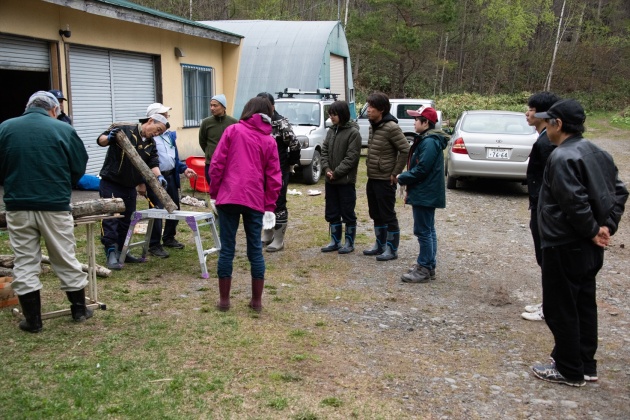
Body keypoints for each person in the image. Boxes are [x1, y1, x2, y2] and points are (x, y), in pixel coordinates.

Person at [530, 99, 628, 387]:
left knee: (560, 306)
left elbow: (574, 202)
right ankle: (585, 364)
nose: (545, 127)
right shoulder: (599, 152)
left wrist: (593, 230)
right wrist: (607, 226)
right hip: (587, 247)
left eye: (548, 122)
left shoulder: (561, 157)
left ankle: (569, 369)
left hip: (563, 243)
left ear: (558, 124)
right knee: (584, 303)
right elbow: (620, 192)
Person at [0, 91, 91, 332]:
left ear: (28, 106)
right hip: (54, 204)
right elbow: (79, 165)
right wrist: (64, 183)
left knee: (25, 261)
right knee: (64, 256)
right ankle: (79, 311)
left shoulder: (5, 128)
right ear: (53, 110)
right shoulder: (63, 129)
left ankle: (33, 321)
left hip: (18, 205)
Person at [209, 96, 282, 313]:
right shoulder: (269, 140)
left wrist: (214, 193)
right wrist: (269, 206)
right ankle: (257, 302)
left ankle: (224, 301)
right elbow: (274, 177)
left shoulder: (233, 131)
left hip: (229, 197)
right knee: (255, 250)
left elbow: (217, 163)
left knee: (227, 248)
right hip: (254, 199)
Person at [97, 113, 170, 270]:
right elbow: (101, 140)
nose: (157, 134)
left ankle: (123, 252)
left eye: (160, 133)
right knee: (111, 218)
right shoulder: (125, 129)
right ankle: (110, 252)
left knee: (128, 220)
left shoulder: (151, 143)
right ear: (150, 121)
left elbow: (153, 162)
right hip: (111, 182)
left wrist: (159, 176)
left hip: (129, 186)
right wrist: (109, 138)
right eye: (157, 129)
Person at [397, 106, 449, 283]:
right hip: (426, 191)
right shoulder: (429, 140)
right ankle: (428, 265)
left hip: (425, 192)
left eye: (417, 119)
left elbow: (422, 169)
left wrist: (402, 177)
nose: (414, 122)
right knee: (428, 230)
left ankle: (424, 267)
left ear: (426, 122)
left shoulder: (429, 142)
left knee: (423, 231)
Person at [521, 91, 560, 321]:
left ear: (545, 114)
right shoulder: (544, 138)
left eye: (533, 109)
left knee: (548, 259)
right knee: (543, 258)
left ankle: (551, 307)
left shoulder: (548, 143)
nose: (528, 113)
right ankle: (548, 302)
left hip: (545, 209)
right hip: (539, 206)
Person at [143, 103, 197, 258]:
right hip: (155, 178)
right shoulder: (148, 137)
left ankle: (169, 237)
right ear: (153, 119)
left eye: (167, 115)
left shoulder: (169, 136)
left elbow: (174, 158)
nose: (167, 118)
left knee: (174, 206)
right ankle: (154, 244)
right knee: (157, 210)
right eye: (164, 115)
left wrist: (183, 169)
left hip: (171, 176)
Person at [362, 92, 410, 261]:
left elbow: (405, 150)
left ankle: (391, 249)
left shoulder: (391, 127)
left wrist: (395, 172)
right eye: (368, 106)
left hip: (385, 179)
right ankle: (379, 245)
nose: (368, 110)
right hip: (372, 177)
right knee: (375, 213)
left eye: (371, 107)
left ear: (381, 109)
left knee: (388, 214)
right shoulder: (372, 125)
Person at [256, 92, 301, 252]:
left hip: (279, 169)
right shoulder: (257, 122)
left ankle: (279, 239)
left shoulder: (280, 122)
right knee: (263, 202)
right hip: (260, 170)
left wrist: (289, 163)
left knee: (278, 202)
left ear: (272, 106)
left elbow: (295, 145)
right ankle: (267, 233)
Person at [320, 100, 362, 254]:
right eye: (330, 114)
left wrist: (336, 172)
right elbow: (324, 151)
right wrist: (326, 168)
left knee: (347, 211)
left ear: (342, 114)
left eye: (334, 114)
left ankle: (349, 242)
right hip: (330, 180)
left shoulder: (353, 133)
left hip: (345, 181)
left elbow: (352, 158)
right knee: (332, 210)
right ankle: (335, 240)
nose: (332, 117)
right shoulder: (331, 131)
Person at [198, 94, 238, 189]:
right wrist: (210, 153)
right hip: (211, 164)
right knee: (214, 190)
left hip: (229, 164)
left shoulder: (234, 123)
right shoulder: (206, 123)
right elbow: (202, 141)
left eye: (215, 105)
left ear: (223, 107)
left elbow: (237, 143)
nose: (212, 108)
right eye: (211, 105)